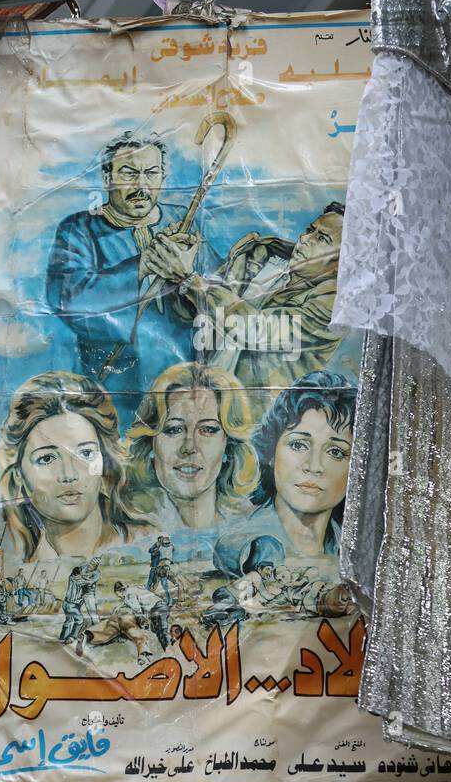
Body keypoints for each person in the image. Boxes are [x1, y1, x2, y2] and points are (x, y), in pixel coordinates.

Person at [45, 131, 200, 400]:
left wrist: (190, 279)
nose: (142, 186)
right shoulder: (79, 228)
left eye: (151, 174)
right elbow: (68, 300)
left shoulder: (182, 220)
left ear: (163, 178)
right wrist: (142, 266)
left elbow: (217, 286)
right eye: (129, 173)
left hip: (184, 381)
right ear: (107, 178)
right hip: (113, 383)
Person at [143, 202, 347, 389]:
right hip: (199, 393)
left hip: (254, 417)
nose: (303, 239)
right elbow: (193, 314)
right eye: (310, 230)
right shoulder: (261, 256)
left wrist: (190, 279)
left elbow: (256, 330)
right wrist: (175, 265)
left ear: (341, 265)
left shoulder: (334, 304)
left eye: (321, 238)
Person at [0, 371, 146, 562]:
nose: (69, 475)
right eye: (47, 458)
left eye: (85, 453)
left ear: (104, 461)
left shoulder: (147, 543)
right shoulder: (16, 567)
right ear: (18, 475)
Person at [127, 361, 257, 530]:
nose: (189, 447)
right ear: (150, 444)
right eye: (174, 430)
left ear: (229, 445)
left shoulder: (253, 526)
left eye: (208, 430)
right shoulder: (126, 530)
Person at [249, 370, 356, 556]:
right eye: (298, 445)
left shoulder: (357, 551)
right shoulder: (244, 545)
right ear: (271, 453)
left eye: (336, 452)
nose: (313, 466)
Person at [59, 557, 102, 643]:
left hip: (85, 595)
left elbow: (89, 581)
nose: (90, 566)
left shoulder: (96, 573)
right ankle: (71, 637)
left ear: (96, 566)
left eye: (93, 565)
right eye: (90, 563)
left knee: (90, 613)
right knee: (78, 620)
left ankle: (63, 637)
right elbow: (82, 580)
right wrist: (83, 577)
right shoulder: (80, 574)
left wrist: (82, 577)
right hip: (74, 601)